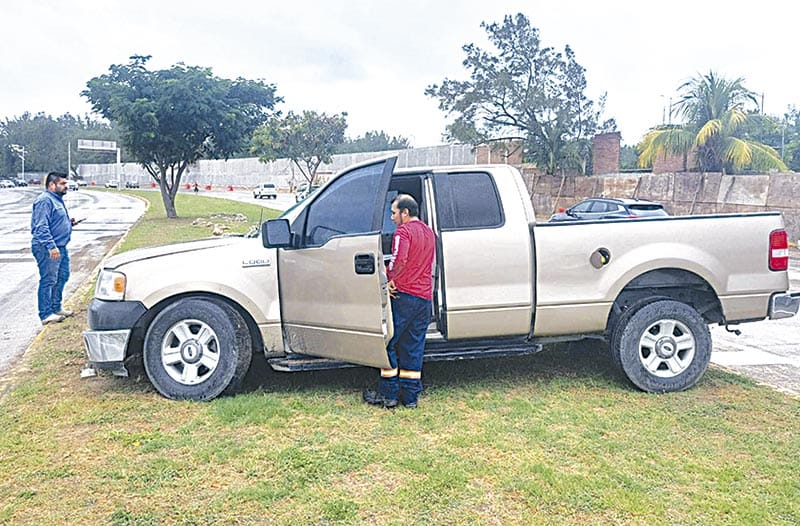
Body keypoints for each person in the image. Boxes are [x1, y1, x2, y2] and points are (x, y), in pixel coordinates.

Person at [364, 194, 435, 409]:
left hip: (404, 297)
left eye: (394, 213)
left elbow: (399, 260)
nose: (392, 217)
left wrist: (389, 279)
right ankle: (410, 398)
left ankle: (389, 394)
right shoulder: (428, 231)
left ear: (405, 212)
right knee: (413, 346)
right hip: (424, 299)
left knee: (388, 343)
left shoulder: (402, 232)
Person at [31, 172, 78, 325]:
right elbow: (40, 227)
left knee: (62, 276)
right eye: (63, 184)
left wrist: (68, 223)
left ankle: (56, 307)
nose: (66, 187)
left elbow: (53, 221)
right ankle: (45, 314)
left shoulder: (56, 199)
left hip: (60, 246)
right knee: (49, 279)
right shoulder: (44, 200)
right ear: (52, 185)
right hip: (47, 248)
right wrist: (51, 246)